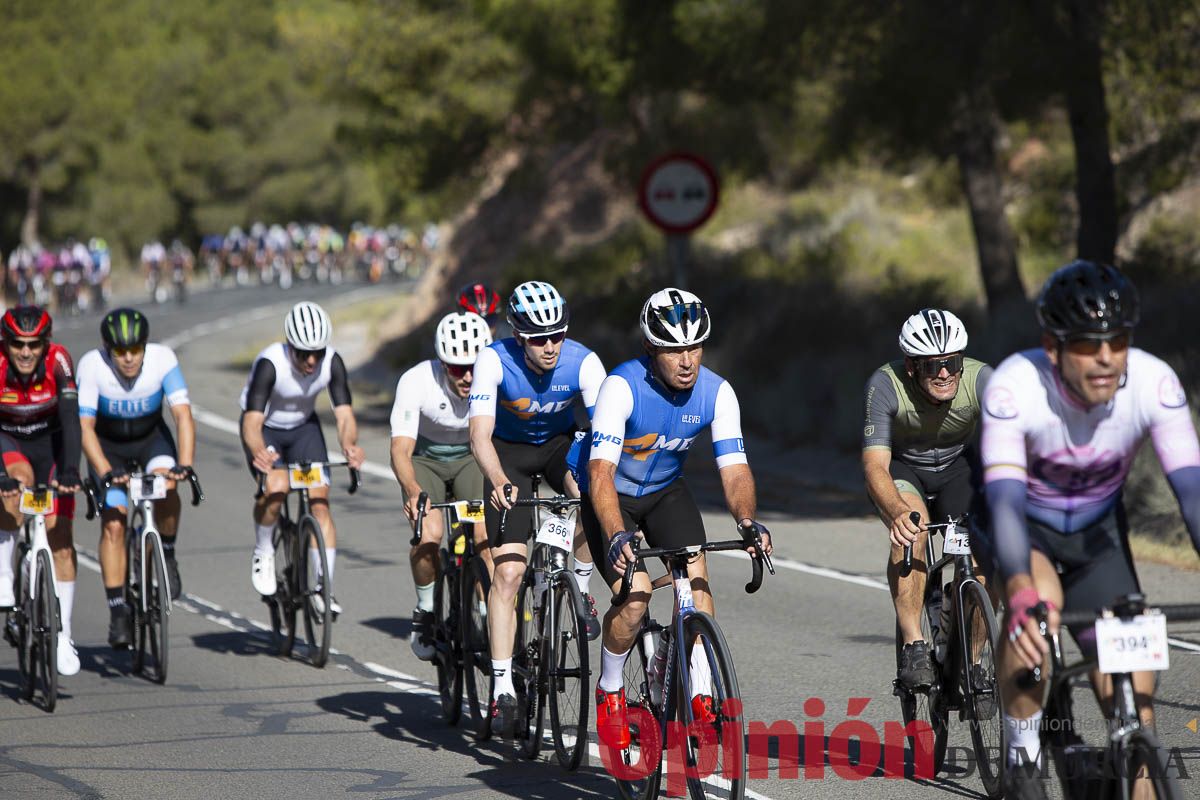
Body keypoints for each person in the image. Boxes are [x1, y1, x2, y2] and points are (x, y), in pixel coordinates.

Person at [976, 261, 1200, 797]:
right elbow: (1004, 502)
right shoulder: (1015, 386)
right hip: (1023, 526)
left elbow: (1191, 493)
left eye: (1117, 341)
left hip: (1097, 536)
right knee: (1037, 612)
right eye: (1086, 344)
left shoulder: (1153, 382)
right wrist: (1021, 592)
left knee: (1135, 708)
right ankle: (1023, 751)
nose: (1105, 357)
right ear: (1052, 348)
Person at [571, 287, 772, 749]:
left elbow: (735, 467)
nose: (686, 360)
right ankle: (611, 687)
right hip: (611, 496)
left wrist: (746, 522)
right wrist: (618, 534)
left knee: (696, 582)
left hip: (664, 492)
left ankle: (700, 693)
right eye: (673, 349)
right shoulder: (621, 387)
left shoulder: (718, 392)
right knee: (637, 595)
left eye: (695, 346)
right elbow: (599, 472)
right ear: (650, 349)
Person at [467, 279, 606, 734]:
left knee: (590, 494)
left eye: (557, 336)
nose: (550, 346)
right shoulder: (494, 359)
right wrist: (499, 480)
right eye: (538, 338)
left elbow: (609, 432)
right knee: (508, 572)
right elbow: (479, 436)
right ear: (518, 335)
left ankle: (580, 585)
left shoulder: (583, 362)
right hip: (507, 452)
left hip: (558, 448)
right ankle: (503, 683)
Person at [861, 308, 992, 692]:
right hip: (905, 471)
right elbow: (874, 465)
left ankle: (972, 659)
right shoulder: (885, 385)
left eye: (952, 362)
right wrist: (898, 512)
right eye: (933, 366)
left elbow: (1015, 444)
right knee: (913, 530)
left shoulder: (983, 379)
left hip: (958, 469)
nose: (945, 373)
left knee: (987, 546)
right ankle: (915, 644)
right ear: (912, 366)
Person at [77, 308, 197, 648]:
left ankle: (168, 553)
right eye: (120, 352)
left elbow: (182, 415)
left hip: (150, 442)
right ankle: (117, 610)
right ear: (107, 349)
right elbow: (84, 428)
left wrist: (185, 464)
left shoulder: (163, 360)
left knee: (168, 485)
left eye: (135, 350)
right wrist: (104, 472)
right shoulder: (91, 366)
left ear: (145, 347)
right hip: (108, 449)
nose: (129, 359)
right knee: (114, 523)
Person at [240, 301, 365, 616]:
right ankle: (264, 549)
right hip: (266, 429)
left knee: (320, 501)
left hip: (303, 430)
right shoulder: (271, 363)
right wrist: (261, 453)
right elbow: (251, 423)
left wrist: (349, 445)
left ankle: (324, 587)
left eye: (317, 353)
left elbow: (345, 416)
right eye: (303, 354)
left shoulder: (332, 363)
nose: (311, 361)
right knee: (277, 487)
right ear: (290, 346)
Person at [390, 312, 493, 661]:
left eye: (473, 367)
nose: (466, 377)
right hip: (426, 459)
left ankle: (487, 610)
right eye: (455, 368)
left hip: (471, 457)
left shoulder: (495, 378)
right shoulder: (416, 381)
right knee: (428, 533)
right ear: (441, 362)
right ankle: (425, 611)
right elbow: (400, 449)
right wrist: (413, 490)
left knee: (484, 534)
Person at [0, 306, 83, 674]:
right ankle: (4, 575)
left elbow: (70, 417)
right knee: (15, 490)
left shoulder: (59, 360)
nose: (25, 352)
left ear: (46, 344)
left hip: (50, 442)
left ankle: (64, 635)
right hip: (9, 440)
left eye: (33, 345)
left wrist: (69, 470)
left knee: (61, 536)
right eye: (17, 344)